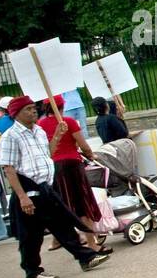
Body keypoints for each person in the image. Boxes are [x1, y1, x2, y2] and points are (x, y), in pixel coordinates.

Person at [0, 96, 109, 278]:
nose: (33, 111)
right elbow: (8, 168)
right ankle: (32, 272)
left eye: (34, 108)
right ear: (16, 114)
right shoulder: (10, 137)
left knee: (63, 224)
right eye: (28, 109)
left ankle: (86, 257)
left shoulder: (39, 131)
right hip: (27, 189)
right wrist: (23, 197)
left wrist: (57, 135)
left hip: (45, 187)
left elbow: (46, 153)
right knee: (31, 236)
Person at [36, 96, 106, 250]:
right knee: (82, 203)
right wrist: (91, 155)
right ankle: (91, 241)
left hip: (53, 167)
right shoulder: (68, 122)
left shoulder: (40, 125)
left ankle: (56, 240)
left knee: (60, 203)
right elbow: (83, 144)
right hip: (72, 165)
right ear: (62, 106)